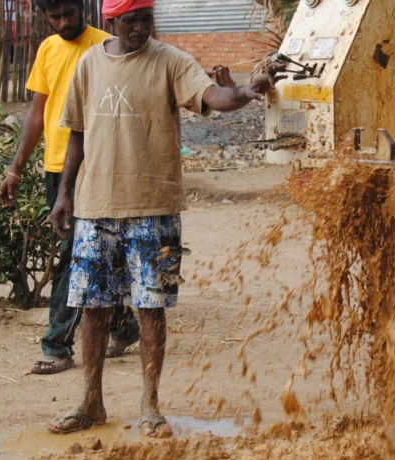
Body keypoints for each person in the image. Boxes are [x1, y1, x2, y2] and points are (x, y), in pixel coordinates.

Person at [46, 0, 269, 436]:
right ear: (111, 20)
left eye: (147, 18)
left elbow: (211, 95)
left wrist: (242, 93)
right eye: (132, 20)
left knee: (152, 309)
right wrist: (64, 193)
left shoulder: (172, 61)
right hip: (96, 207)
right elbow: (77, 132)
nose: (141, 28)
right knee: (93, 309)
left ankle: (150, 405)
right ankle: (90, 401)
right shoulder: (89, 64)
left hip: (155, 207)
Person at [0, 0, 140, 375]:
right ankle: (123, 324)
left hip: (97, 166)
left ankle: (57, 345)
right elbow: (37, 113)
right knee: (84, 250)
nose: (63, 22)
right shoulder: (47, 49)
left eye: (69, 15)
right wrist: (15, 169)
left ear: (82, 9)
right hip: (57, 169)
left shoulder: (107, 47)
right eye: (55, 17)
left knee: (75, 253)